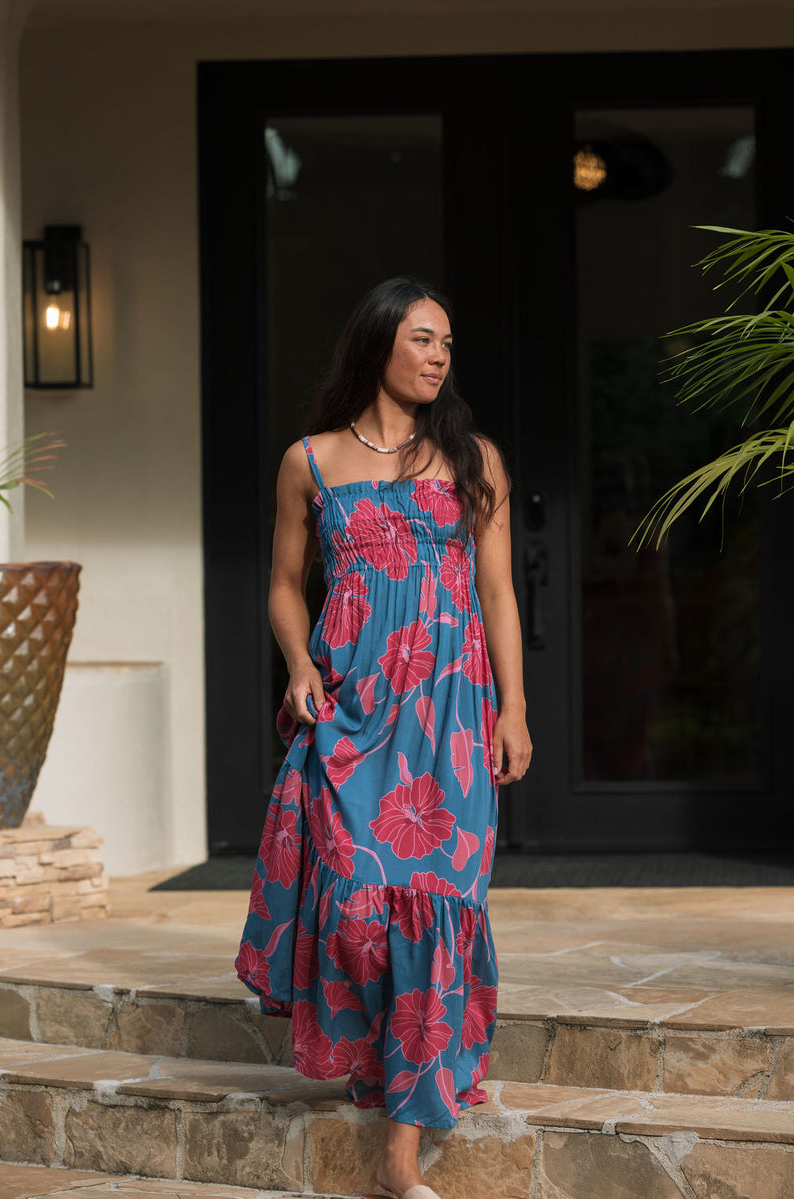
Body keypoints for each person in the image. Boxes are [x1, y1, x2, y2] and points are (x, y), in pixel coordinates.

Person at [236, 277, 532, 1199]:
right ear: (378, 346)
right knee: (363, 906)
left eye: (448, 342)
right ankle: (387, 1063)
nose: (440, 356)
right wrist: (297, 663)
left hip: (450, 718)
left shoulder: (473, 459)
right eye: (422, 338)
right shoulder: (311, 462)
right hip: (356, 711)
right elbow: (287, 583)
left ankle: (398, 1162)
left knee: (438, 908)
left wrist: (512, 708)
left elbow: (497, 595)